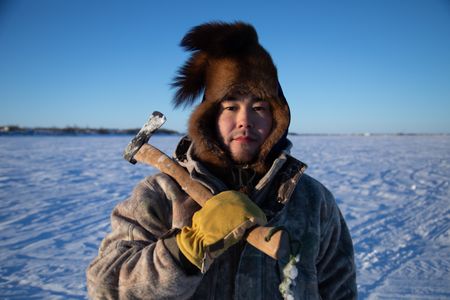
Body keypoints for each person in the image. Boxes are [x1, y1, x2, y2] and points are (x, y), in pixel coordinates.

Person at [86, 21, 357, 299]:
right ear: (209, 117)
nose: (245, 121)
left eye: (259, 107)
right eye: (230, 106)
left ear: (277, 117)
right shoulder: (160, 196)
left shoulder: (312, 201)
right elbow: (104, 288)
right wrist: (186, 250)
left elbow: (341, 290)